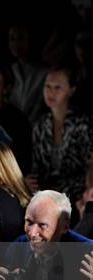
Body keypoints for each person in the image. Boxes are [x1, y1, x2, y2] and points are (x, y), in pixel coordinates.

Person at [29, 66, 93, 204]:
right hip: (46, 196)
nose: (51, 92)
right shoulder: (40, 125)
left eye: (57, 87)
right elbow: (36, 167)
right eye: (47, 86)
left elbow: (90, 164)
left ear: (71, 90)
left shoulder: (83, 124)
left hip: (77, 197)